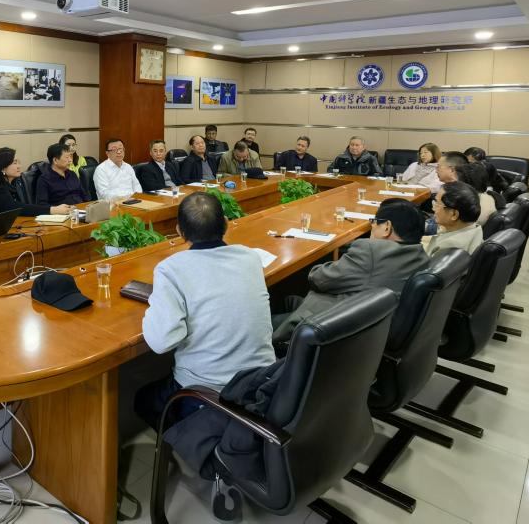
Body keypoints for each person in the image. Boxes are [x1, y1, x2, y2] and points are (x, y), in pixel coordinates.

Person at [135, 192, 275, 429]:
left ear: (179, 232)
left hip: (208, 393)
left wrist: (155, 302)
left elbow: (162, 342)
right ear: (226, 224)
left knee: (143, 400)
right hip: (262, 383)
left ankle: (185, 440)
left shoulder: (171, 269)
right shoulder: (250, 257)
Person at [272, 199, 429, 341]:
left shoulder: (372, 251)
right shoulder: (421, 256)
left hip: (330, 329)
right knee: (288, 300)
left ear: (387, 227)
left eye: (374, 222)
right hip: (376, 326)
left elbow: (319, 278)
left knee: (266, 319)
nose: (372, 226)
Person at [0, 147, 72, 217]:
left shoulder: (13, 183)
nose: (19, 166)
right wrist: (53, 210)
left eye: (18, 162)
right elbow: (16, 208)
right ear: (3, 168)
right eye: (14, 163)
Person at [424, 181, 484, 257]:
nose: (433, 208)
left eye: (437, 204)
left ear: (454, 214)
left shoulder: (448, 246)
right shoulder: (474, 228)